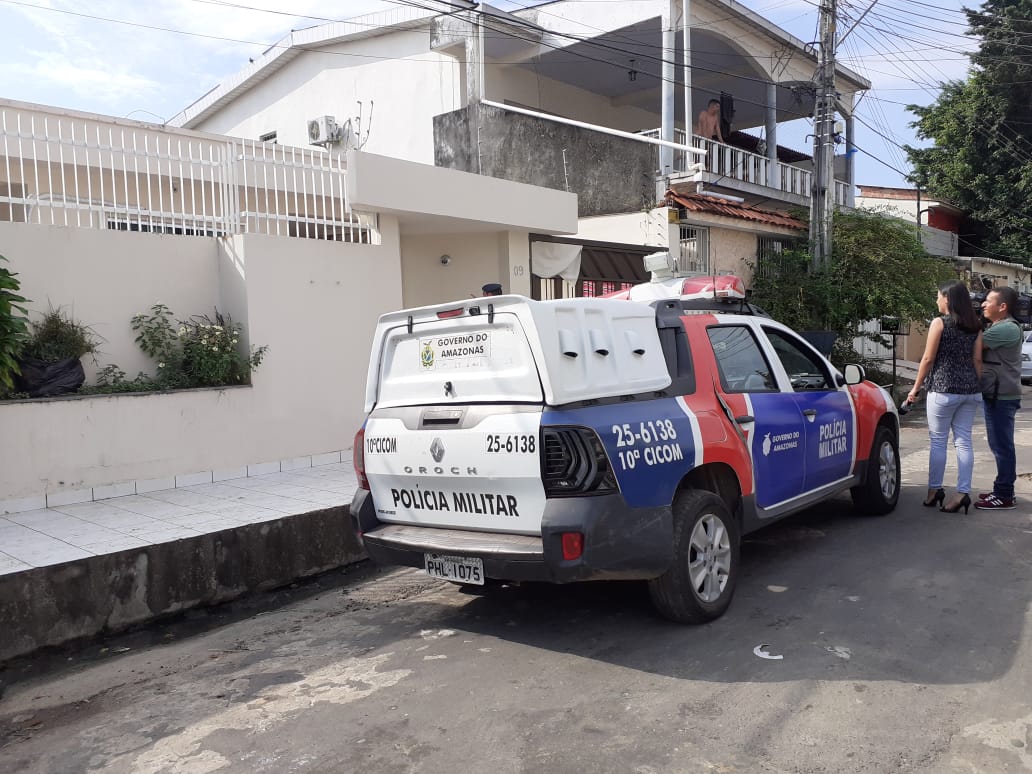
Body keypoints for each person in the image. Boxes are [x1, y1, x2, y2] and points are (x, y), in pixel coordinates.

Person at [906, 281, 984, 514]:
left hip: (942, 389)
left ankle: (934, 491)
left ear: (948, 298)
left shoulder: (939, 323)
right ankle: (962, 493)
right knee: (964, 441)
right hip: (969, 391)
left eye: (938, 296)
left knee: (939, 441)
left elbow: (928, 359)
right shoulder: (975, 326)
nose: (936, 300)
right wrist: (976, 384)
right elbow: (977, 359)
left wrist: (915, 389)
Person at [975, 286, 1023, 509]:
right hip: (998, 393)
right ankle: (1002, 489)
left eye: (988, 301)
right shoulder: (1000, 326)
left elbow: (974, 345)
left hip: (1001, 396)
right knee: (1000, 444)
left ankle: (1004, 494)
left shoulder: (1006, 329)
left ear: (1002, 307)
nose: (983, 304)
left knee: (1002, 446)